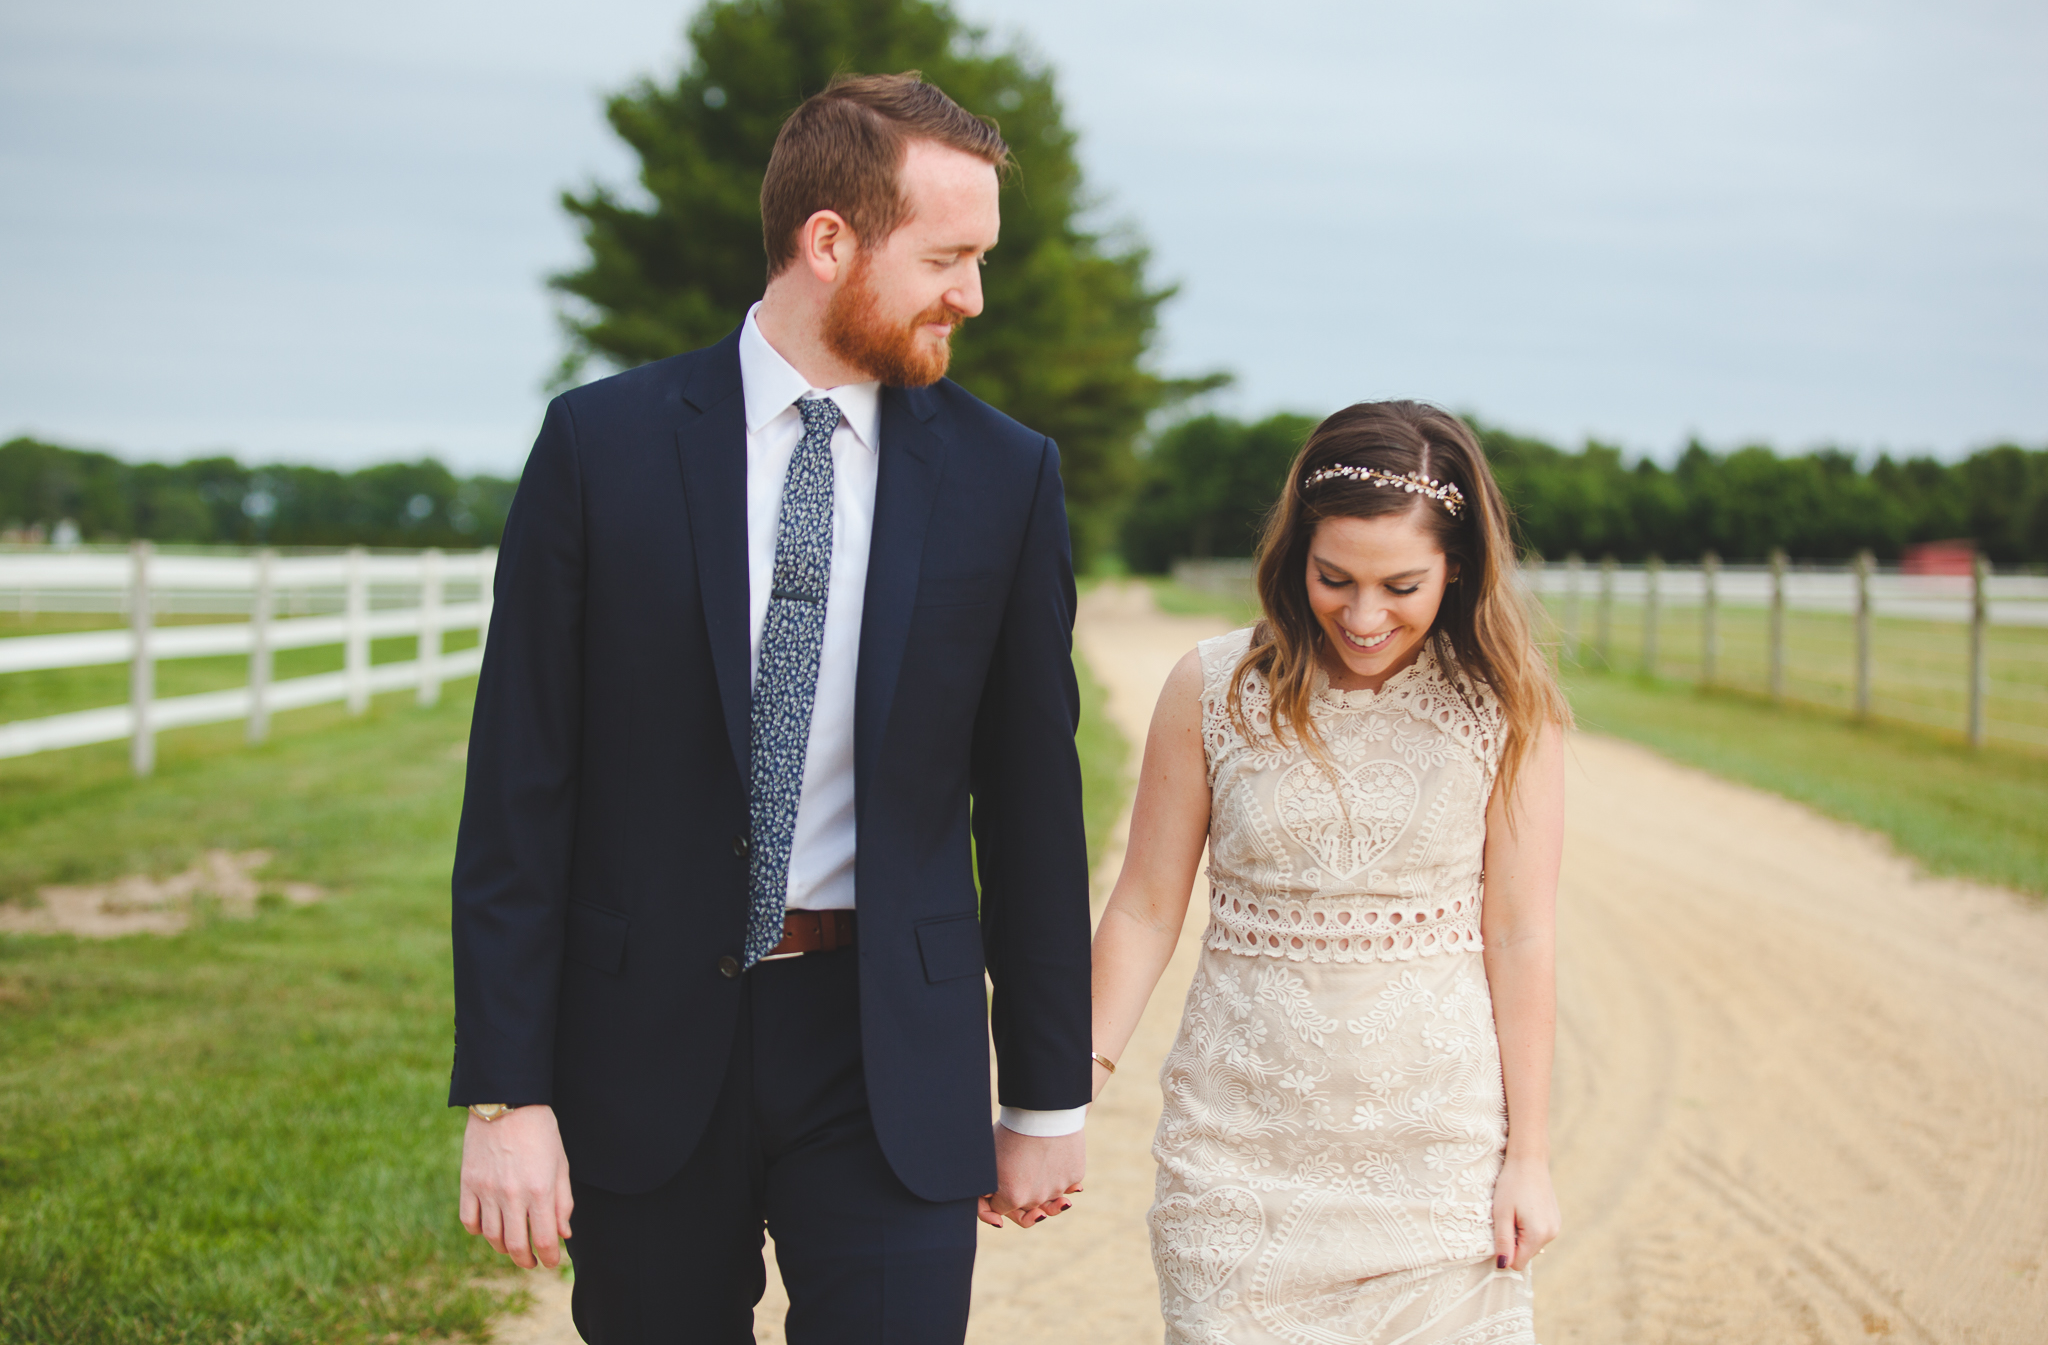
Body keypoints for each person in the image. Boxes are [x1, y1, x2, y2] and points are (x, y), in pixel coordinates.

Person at [446, 73, 1093, 1344]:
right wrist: (508, 1097)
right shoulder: (599, 446)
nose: (970, 295)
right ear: (828, 240)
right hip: (645, 1046)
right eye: (948, 258)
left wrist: (1043, 1100)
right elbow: (521, 786)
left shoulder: (1006, 477)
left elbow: (1031, 802)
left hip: (886, 1055)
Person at [1089, 402, 1567, 1343]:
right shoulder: (1212, 688)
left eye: (1401, 584)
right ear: (1294, 554)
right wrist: (1066, 1083)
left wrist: (1530, 1156)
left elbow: (1521, 935)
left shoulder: (1508, 709)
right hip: (1238, 1166)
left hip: (1439, 1171)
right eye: (1333, 577)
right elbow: (1145, 910)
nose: (1362, 614)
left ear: (1458, 565)